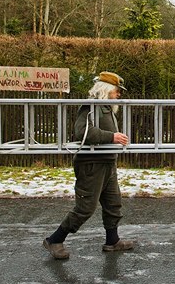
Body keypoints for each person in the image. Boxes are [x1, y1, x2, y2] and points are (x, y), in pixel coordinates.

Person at [43, 71, 134, 260]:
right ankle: (54, 240)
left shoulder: (106, 107)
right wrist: (112, 137)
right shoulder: (91, 106)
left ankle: (112, 241)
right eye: (117, 91)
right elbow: (82, 132)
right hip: (91, 164)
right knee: (85, 208)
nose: (119, 94)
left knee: (113, 203)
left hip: (107, 161)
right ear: (107, 90)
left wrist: (113, 139)